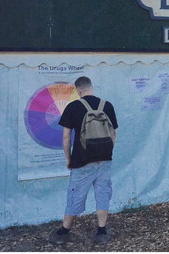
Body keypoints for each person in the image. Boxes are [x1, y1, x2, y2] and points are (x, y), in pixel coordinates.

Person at [49, 76, 118, 244]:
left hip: (82, 161)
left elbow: (66, 138)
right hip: (104, 160)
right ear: (91, 87)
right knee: (103, 194)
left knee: (75, 195)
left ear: (78, 91)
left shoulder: (73, 107)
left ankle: (64, 231)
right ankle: (101, 231)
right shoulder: (107, 106)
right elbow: (113, 134)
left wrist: (69, 159)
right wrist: (106, 151)